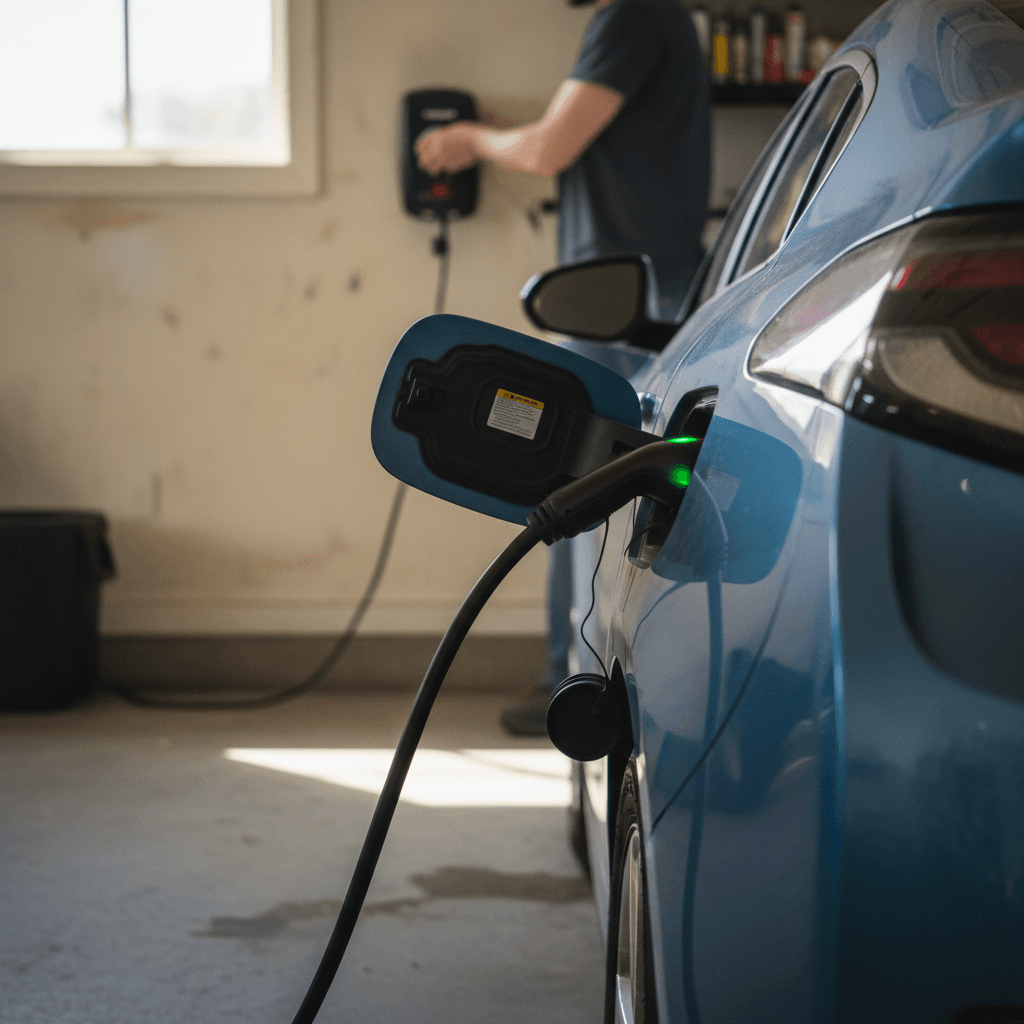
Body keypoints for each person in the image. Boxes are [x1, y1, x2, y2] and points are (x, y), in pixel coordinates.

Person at [417, 0, 711, 734]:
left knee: (573, 477)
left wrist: (468, 140)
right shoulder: (659, 18)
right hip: (638, 285)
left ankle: (577, 686)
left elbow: (551, 148)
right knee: (603, 483)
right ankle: (586, 679)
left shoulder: (633, 15)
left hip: (623, 296)